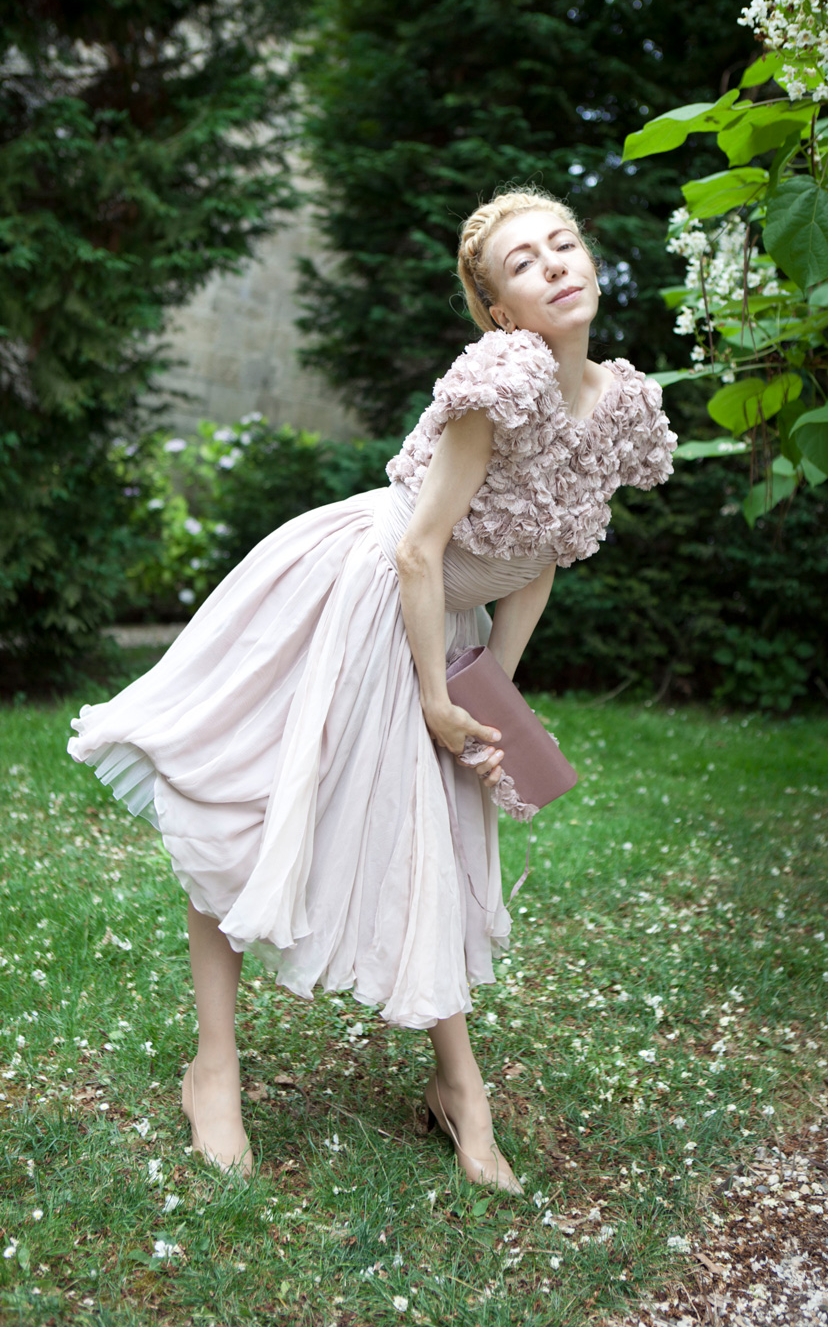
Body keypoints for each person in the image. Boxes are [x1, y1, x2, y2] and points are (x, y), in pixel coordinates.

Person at [68, 186, 676, 1193]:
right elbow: (419, 550)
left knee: (436, 840)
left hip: (446, 624)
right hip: (367, 593)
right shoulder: (504, 378)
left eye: (564, 243)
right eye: (523, 263)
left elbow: (544, 557)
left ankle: (458, 1090)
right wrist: (436, 699)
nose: (555, 265)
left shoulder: (618, 405)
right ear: (500, 310)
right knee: (256, 807)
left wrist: (492, 696)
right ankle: (213, 1068)